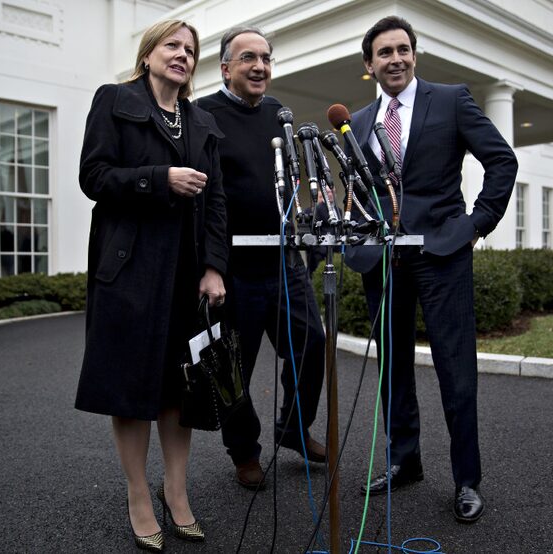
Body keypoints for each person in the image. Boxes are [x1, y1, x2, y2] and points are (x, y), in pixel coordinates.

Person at [345, 16, 517, 523]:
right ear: (369, 64)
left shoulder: (452, 99)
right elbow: (358, 191)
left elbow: (501, 161)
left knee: (455, 373)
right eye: (384, 52)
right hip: (384, 262)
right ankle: (404, 462)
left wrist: (476, 224)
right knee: (392, 369)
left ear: (414, 55)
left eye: (403, 49)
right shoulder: (356, 123)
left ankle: (467, 480)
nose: (394, 59)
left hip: (442, 255)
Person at [74, 19, 227, 551]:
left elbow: (216, 204)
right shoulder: (115, 100)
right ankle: (139, 494)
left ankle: (176, 491)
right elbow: (93, 176)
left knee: (180, 389)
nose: (182, 55)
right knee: (132, 387)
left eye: (190, 49)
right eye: (172, 46)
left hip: (188, 272)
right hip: (130, 268)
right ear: (148, 54)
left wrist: (214, 267)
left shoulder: (202, 121)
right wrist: (158, 179)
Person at [195, 27, 327, 491]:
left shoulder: (279, 115)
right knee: (233, 368)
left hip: (285, 261)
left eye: (266, 58)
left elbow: (288, 183)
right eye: (248, 58)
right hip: (233, 269)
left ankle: (293, 428)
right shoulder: (202, 115)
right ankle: (244, 451)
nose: (260, 66)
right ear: (225, 68)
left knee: (312, 343)